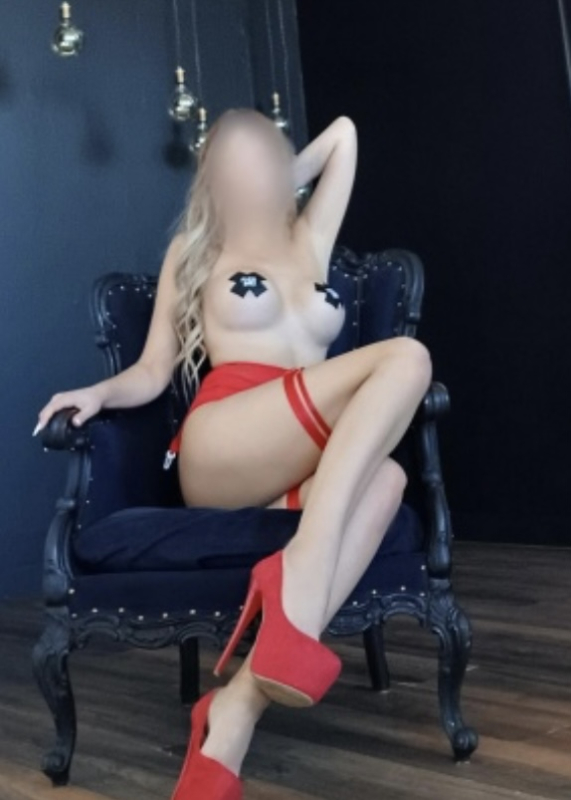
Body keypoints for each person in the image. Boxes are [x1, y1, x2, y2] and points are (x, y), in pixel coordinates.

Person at [34, 108, 432, 799]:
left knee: (389, 478)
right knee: (406, 357)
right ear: (209, 178)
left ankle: (231, 716)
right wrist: (97, 393)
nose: (250, 167)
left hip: (302, 451)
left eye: (263, 153)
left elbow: (344, 134)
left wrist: (277, 178)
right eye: (232, 158)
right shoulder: (197, 250)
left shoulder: (309, 239)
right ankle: (303, 567)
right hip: (225, 441)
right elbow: (153, 371)